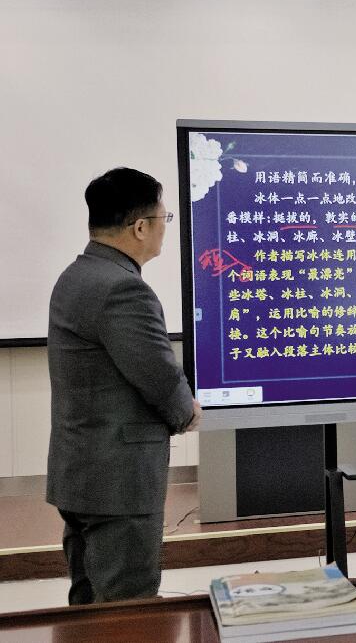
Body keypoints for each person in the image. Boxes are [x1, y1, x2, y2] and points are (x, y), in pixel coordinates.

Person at [46, 167, 203, 604]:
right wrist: (187, 412)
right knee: (126, 613)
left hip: (82, 473)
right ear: (139, 228)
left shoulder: (75, 276)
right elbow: (157, 374)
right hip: (119, 483)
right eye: (164, 218)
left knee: (88, 607)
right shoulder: (123, 290)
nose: (165, 227)